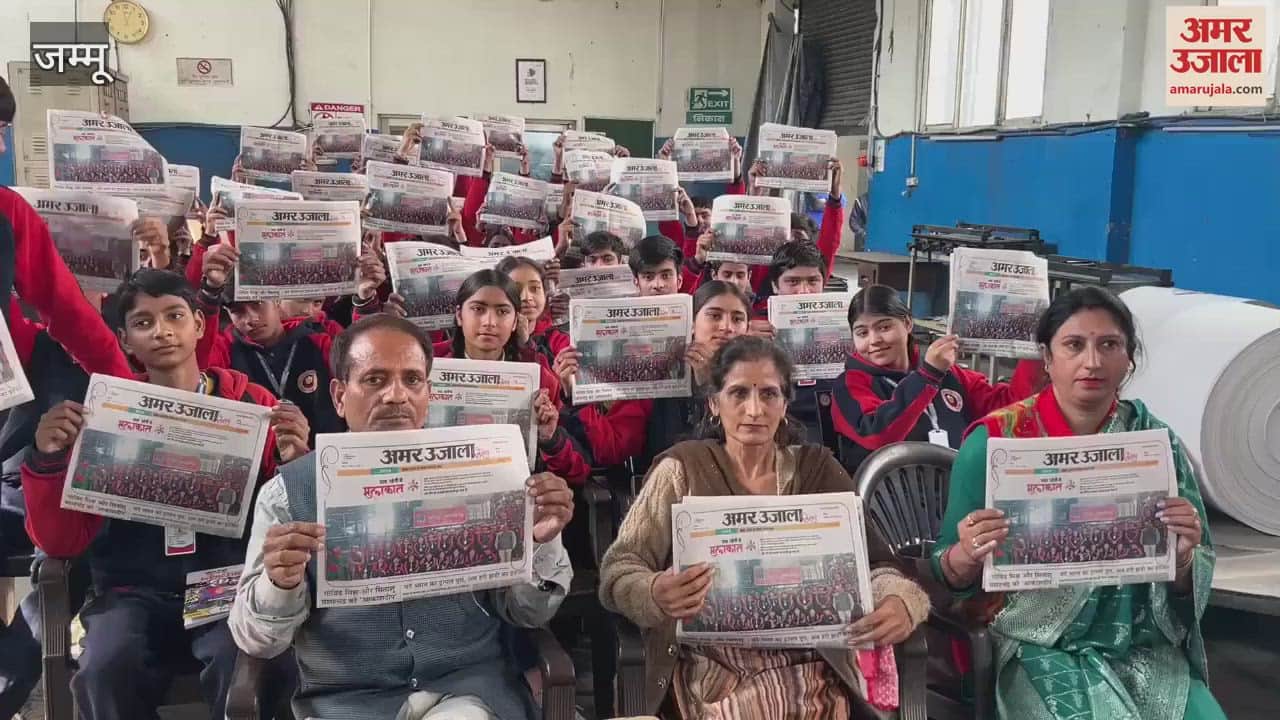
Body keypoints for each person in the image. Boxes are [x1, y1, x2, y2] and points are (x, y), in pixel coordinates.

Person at [229, 314, 576, 720]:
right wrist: (279, 582)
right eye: (375, 380)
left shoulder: (489, 476)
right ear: (340, 396)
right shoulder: (288, 494)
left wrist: (539, 542)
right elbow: (258, 641)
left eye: (412, 381)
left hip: (467, 694)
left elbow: (529, 613)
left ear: (430, 393)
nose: (396, 396)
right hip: (349, 703)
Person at [21, 269, 308, 720]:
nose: (162, 331)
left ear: (198, 323)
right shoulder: (101, 415)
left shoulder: (251, 406)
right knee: (104, 670)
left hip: (224, 585)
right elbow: (60, 543)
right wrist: (47, 459)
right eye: (143, 323)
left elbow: (288, 515)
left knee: (254, 663)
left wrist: (295, 461)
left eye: (174, 316)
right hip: (133, 591)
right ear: (125, 338)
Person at [930, 286, 1222, 720]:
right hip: (1035, 644)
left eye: (1109, 345)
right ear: (1047, 359)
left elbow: (1191, 579)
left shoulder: (1155, 446)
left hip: (1140, 646)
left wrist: (1181, 560)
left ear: (1129, 359)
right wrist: (966, 556)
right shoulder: (996, 443)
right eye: (1074, 345)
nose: (1092, 361)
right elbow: (944, 572)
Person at [600, 335, 930, 718]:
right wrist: (655, 591)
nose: (754, 409)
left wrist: (900, 601)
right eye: (738, 393)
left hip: (810, 666)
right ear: (713, 403)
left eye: (769, 395)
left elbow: (875, 566)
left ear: (785, 405)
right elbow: (619, 569)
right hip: (710, 668)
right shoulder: (681, 470)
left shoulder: (816, 471)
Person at [830, 284, 1045, 473]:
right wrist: (928, 376)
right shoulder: (849, 385)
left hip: (956, 489)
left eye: (884, 327)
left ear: (907, 324)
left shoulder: (948, 373)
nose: (874, 340)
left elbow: (1010, 407)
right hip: (892, 504)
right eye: (862, 333)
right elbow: (877, 435)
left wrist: (1037, 349)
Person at [638, 281, 753, 472]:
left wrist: (710, 385)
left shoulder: (761, 374)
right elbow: (666, 448)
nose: (726, 327)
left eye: (737, 319)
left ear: (747, 328)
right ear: (691, 324)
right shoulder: (668, 374)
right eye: (715, 316)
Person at [747, 241, 840, 446]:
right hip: (773, 420)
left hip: (828, 418)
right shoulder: (753, 327)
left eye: (812, 281)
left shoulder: (844, 322)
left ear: (824, 282)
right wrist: (743, 344)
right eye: (793, 282)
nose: (803, 291)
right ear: (774, 285)